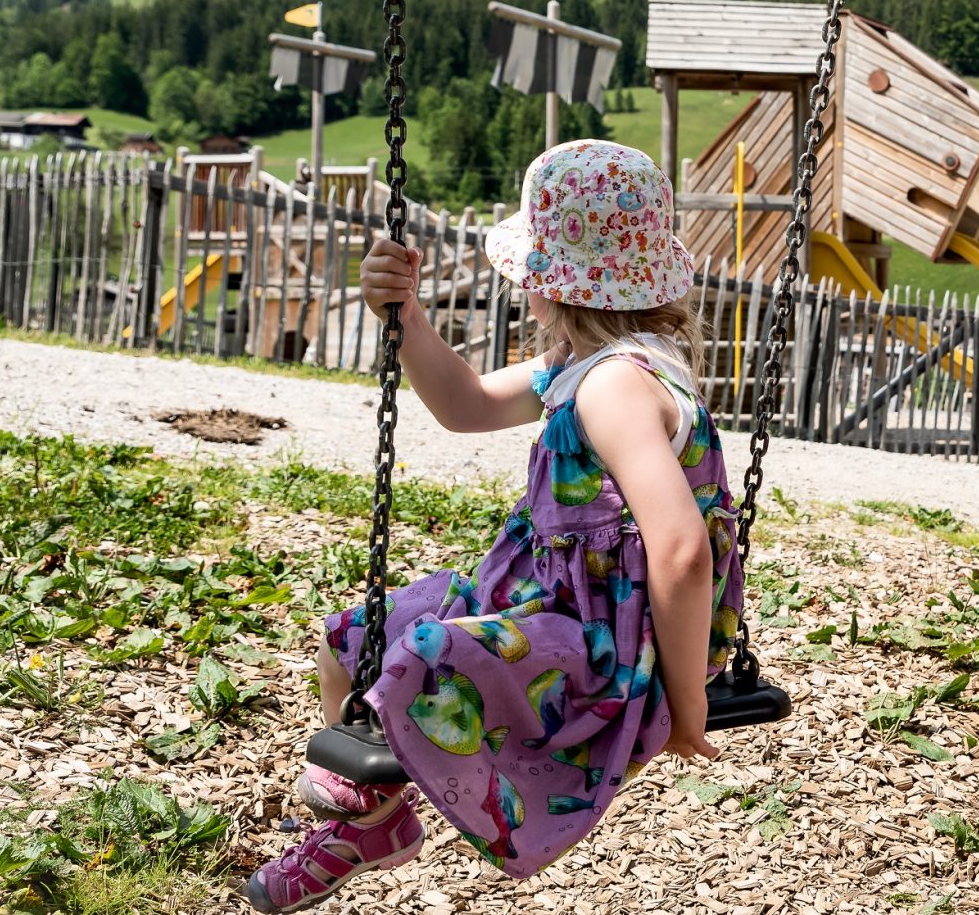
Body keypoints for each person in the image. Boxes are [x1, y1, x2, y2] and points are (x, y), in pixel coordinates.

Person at [247, 140, 742, 911]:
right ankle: (369, 822)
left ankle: (354, 816)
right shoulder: (584, 367)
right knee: (352, 638)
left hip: (607, 648)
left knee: (419, 655)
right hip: (540, 603)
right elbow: (467, 404)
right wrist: (406, 318)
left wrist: (686, 704)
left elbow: (679, 549)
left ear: (546, 281)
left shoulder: (615, 387)